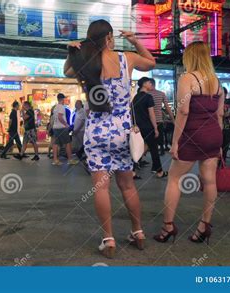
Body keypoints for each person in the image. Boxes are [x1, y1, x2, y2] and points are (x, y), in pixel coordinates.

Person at [65, 19, 156, 257]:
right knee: (127, 185)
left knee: (101, 188)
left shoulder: (86, 61)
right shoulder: (126, 58)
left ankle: (109, 240)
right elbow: (151, 62)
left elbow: (66, 71)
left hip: (96, 131)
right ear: (109, 38)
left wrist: (72, 50)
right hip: (122, 131)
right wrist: (135, 40)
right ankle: (138, 232)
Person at [153, 41, 224, 245]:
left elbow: (183, 112)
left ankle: (168, 226)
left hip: (193, 135)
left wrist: (175, 142)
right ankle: (204, 226)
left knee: (174, 179)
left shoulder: (187, 78)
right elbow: (219, 114)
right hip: (213, 135)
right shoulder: (216, 81)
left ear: (190, 57)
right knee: (210, 180)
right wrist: (218, 142)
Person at [132, 77, 168, 178]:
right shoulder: (148, 97)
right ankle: (159, 172)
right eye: (149, 82)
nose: (151, 84)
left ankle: (132, 171)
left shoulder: (135, 97)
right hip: (148, 127)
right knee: (154, 150)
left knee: (137, 149)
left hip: (138, 127)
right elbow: (152, 114)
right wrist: (156, 128)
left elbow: (133, 113)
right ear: (144, 84)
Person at [148, 78, 175, 156]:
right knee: (160, 136)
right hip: (159, 119)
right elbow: (167, 107)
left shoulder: (147, 94)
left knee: (151, 138)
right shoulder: (161, 93)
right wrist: (173, 119)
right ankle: (162, 150)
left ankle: (154, 152)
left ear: (150, 84)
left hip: (149, 120)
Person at [51, 93, 77, 165]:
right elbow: (60, 117)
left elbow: (54, 117)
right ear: (62, 99)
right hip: (62, 128)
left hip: (55, 128)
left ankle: (55, 160)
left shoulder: (55, 107)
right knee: (68, 143)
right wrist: (66, 125)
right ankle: (70, 159)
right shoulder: (61, 107)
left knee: (55, 144)